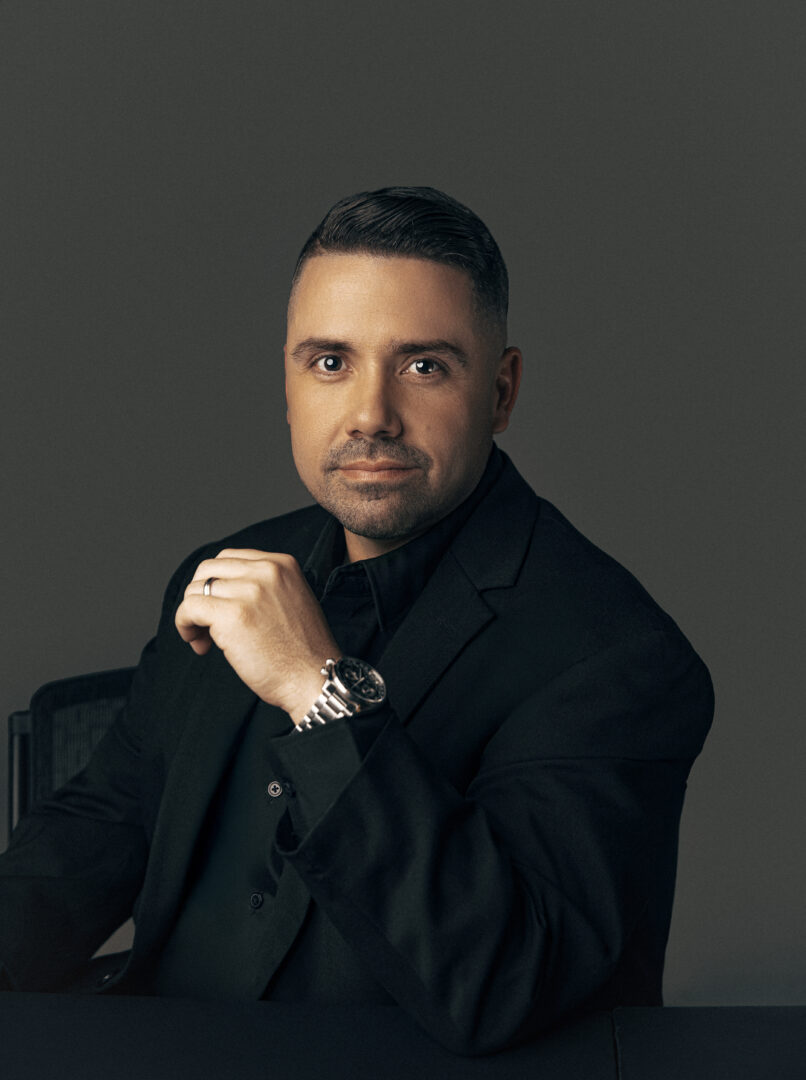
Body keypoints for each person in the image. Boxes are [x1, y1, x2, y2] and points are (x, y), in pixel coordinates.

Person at [0, 186, 713, 1055]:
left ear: (501, 391)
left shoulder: (616, 655)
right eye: (331, 362)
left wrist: (318, 691)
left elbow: (502, 981)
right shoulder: (225, 572)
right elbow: (101, 826)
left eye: (424, 366)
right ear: (289, 385)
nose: (371, 414)